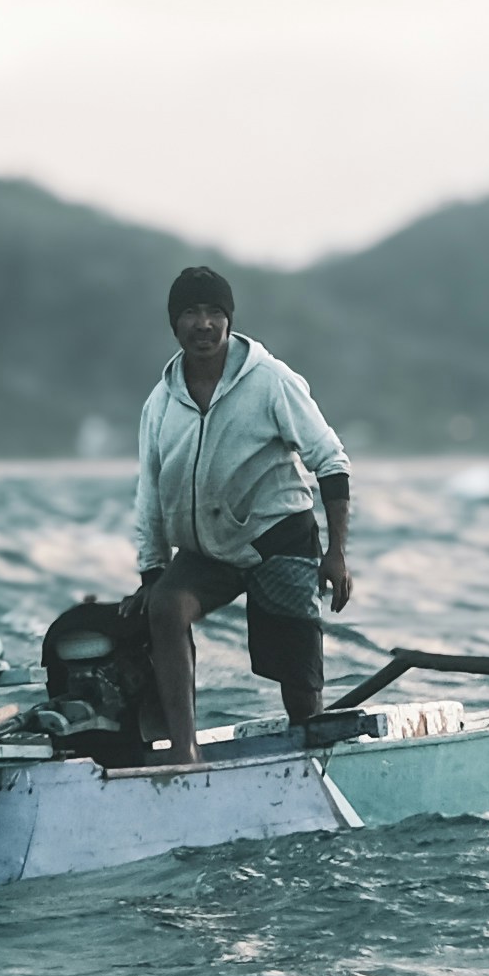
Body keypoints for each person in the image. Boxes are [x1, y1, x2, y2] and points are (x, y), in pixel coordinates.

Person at [127, 263, 354, 752]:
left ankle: (309, 750)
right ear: (175, 323)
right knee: (165, 608)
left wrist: (336, 553)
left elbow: (330, 461)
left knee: (299, 685)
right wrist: (152, 572)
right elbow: (149, 494)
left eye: (214, 312)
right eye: (191, 312)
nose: (203, 324)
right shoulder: (160, 403)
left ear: (229, 320)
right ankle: (184, 756)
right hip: (209, 552)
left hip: (279, 539)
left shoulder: (270, 380)